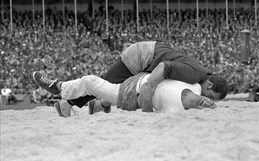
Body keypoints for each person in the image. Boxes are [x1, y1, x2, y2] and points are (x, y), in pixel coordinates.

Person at [34, 41, 228, 113]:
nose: (207, 98)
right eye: (210, 95)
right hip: (143, 57)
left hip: (148, 58)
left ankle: (79, 105)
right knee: (106, 82)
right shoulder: (195, 75)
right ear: (209, 83)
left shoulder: (198, 73)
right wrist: (149, 87)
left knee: (111, 85)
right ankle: (60, 89)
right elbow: (164, 67)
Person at [33, 71, 217, 117]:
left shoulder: (174, 108)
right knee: (112, 81)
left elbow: (148, 113)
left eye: (201, 103)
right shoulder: (195, 87)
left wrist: (146, 95)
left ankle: (58, 87)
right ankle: (99, 106)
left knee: (90, 82)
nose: (202, 101)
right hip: (134, 83)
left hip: (128, 94)